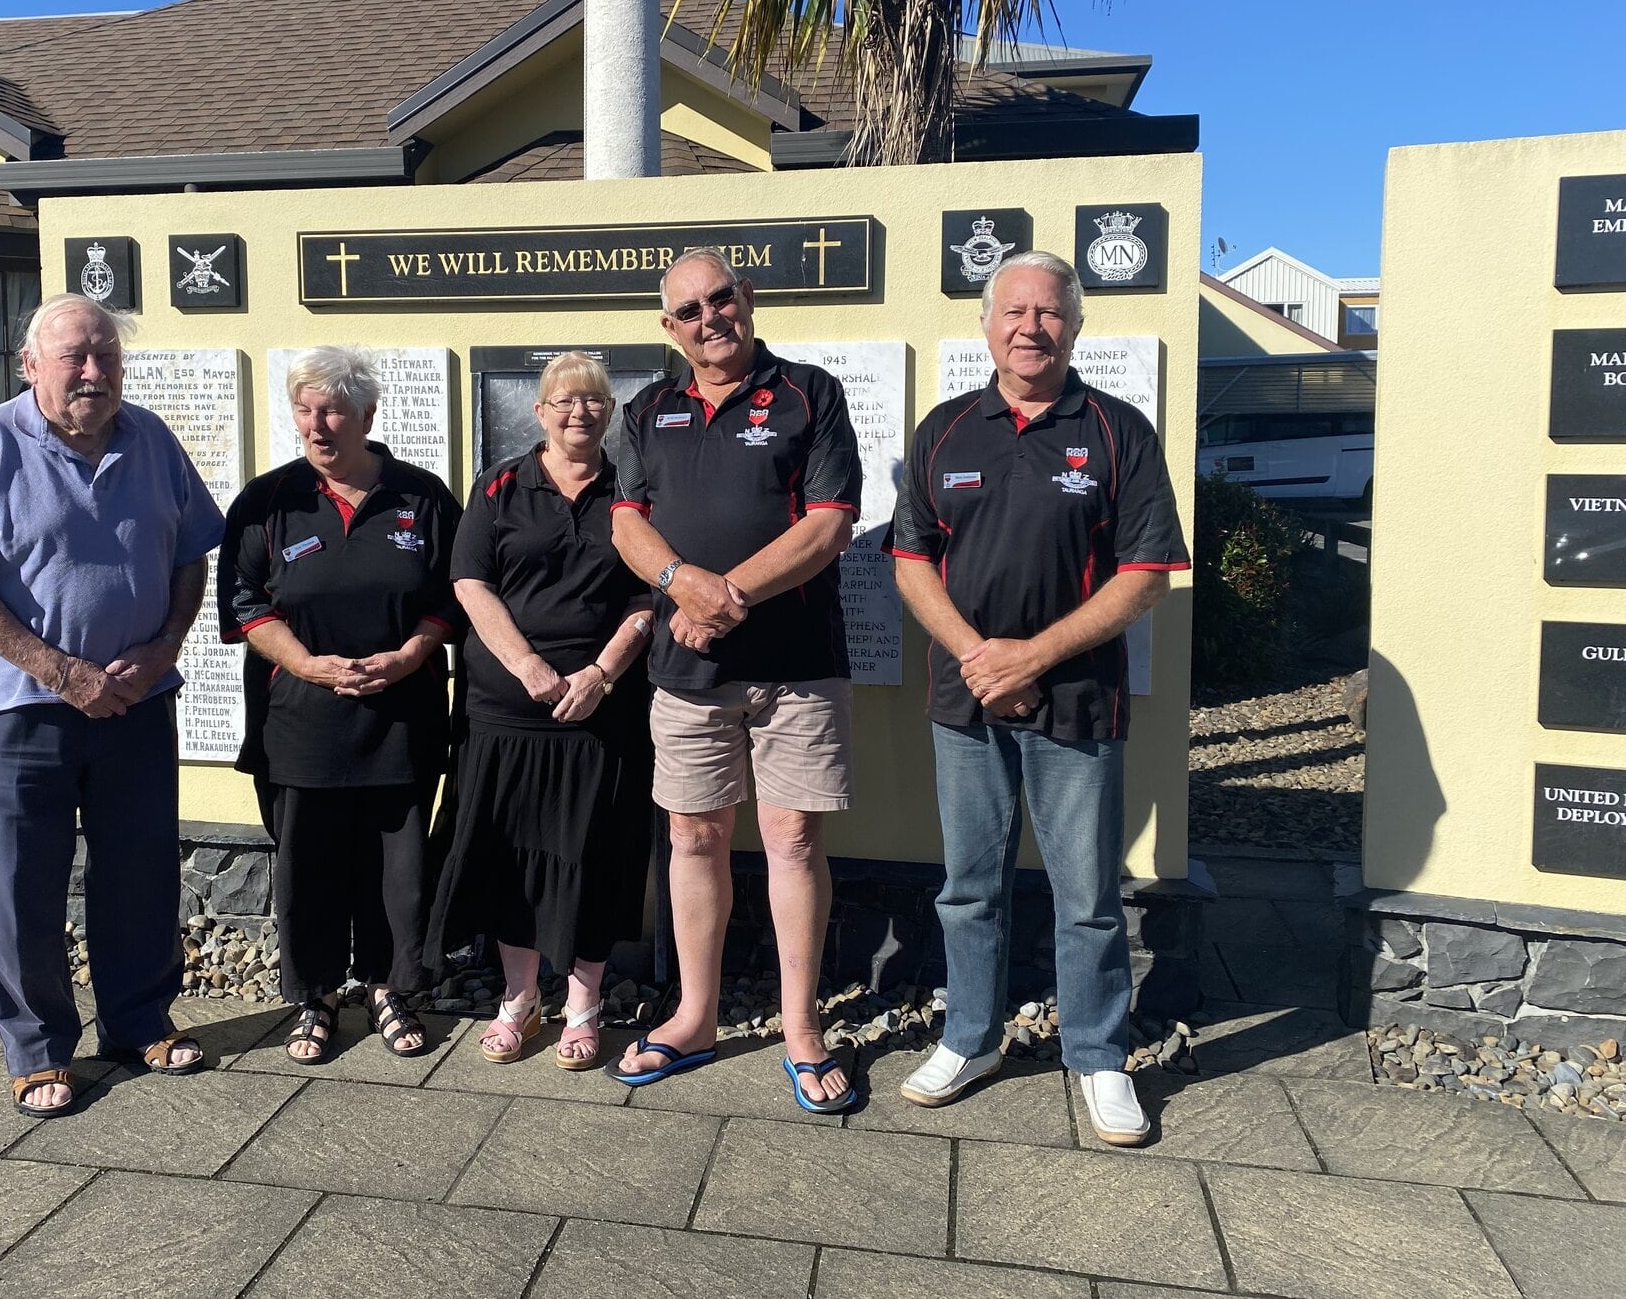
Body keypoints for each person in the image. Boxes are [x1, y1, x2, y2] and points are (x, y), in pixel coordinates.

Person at [888, 250, 1189, 1145]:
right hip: (964, 701)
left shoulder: (1117, 430)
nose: (1031, 327)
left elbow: (1147, 576)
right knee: (969, 888)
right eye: (1014, 311)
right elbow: (910, 562)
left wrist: (1035, 658)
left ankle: (1098, 1055)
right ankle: (971, 1038)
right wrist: (983, 658)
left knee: (1088, 894)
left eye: (1051, 313)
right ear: (986, 325)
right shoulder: (945, 430)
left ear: (1075, 327)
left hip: (1078, 707)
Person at [0, 294, 224, 1118]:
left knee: (139, 873)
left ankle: (136, 1022)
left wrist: (163, 648)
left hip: (135, 703)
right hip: (20, 712)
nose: (94, 373)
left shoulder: (151, 440)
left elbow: (193, 551)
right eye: (74, 358)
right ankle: (36, 1049)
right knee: (20, 889)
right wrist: (62, 672)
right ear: (30, 366)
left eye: (106, 358)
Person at [607, 248, 863, 1113]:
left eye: (722, 299)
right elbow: (626, 523)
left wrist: (731, 595)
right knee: (694, 839)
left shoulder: (809, 394)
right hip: (685, 672)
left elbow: (830, 524)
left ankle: (800, 1026)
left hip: (798, 668)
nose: (710, 317)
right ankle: (696, 1015)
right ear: (669, 328)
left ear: (747, 300)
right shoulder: (648, 408)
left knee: (792, 841)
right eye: (689, 309)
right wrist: (683, 585)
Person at [219, 346, 460, 1063]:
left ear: (367, 415)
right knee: (310, 864)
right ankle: (316, 995)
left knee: (398, 864)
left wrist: (410, 655)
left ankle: (390, 988)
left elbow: (454, 597)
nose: (317, 425)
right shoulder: (268, 502)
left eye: (332, 410)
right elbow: (244, 604)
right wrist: (310, 666)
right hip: (302, 718)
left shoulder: (420, 496)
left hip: (401, 715)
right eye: (304, 409)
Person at [424, 352, 655, 1069]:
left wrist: (602, 673)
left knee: (596, 853)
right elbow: (470, 582)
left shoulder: (633, 491)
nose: (577, 413)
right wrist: (526, 665)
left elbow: (649, 595)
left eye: (592, 402)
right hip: (508, 709)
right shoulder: (497, 487)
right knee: (508, 857)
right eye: (563, 401)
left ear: (610, 414)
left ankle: (583, 1002)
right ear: (540, 411)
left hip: (599, 710)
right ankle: (519, 1000)